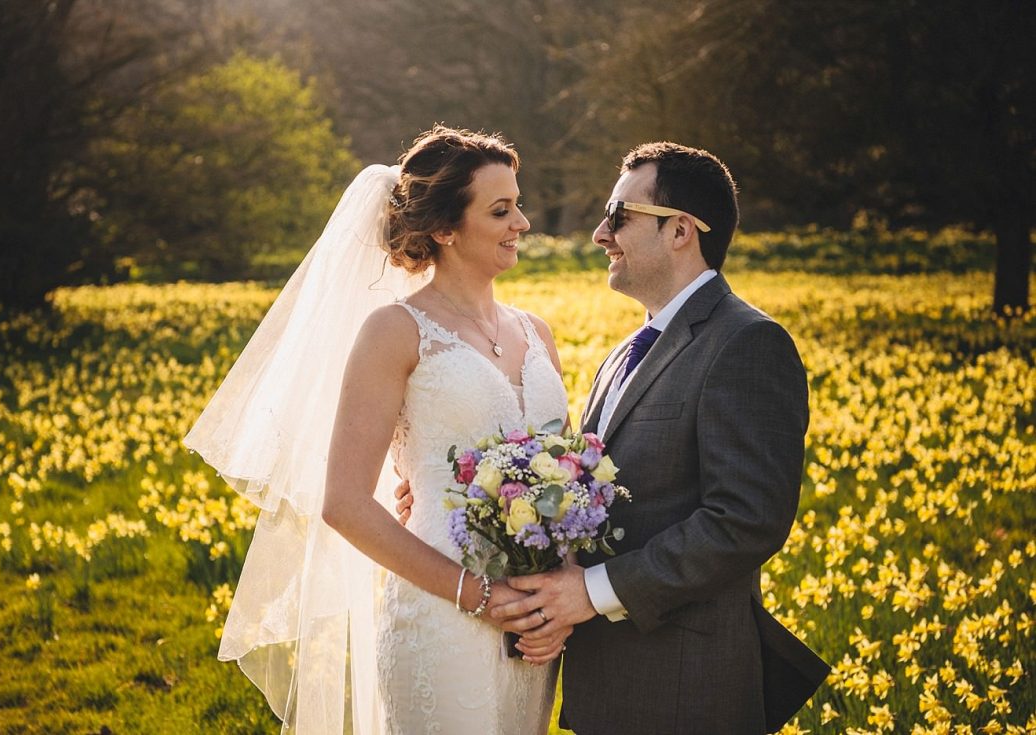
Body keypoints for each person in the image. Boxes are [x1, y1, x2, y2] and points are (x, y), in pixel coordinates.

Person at [397, 141, 829, 733]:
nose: (601, 233)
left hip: (687, 687)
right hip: (604, 687)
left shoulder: (747, 343)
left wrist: (592, 592)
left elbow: (747, 519)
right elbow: (579, 490)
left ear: (680, 231)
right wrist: (465, 501)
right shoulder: (625, 353)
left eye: (620, 215)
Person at [185, 125, 570, 735]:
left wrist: (555, 601)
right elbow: (343, 504)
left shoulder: (536, 333)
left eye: (517, 203)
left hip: (532, 624)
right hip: (445, 612)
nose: (522, 221)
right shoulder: (395, 331)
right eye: (501, 210)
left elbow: (562, 481)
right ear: (444, 229)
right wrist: (478, 595)